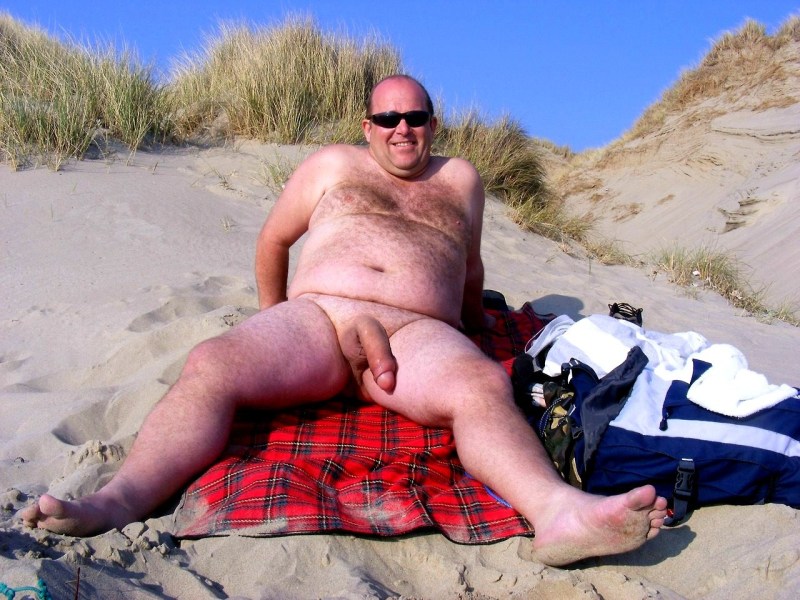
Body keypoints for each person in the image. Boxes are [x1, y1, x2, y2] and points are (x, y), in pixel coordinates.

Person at [21, 74, 667, 566]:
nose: (401, 129)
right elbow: (273, 241)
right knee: (212, 363)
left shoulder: (461, 180)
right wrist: (273, 320)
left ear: (433, 123)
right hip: (319, 318)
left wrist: (476, 329)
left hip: (417, 332)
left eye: (414, 118)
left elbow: (469, 267)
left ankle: (557, 514)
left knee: (480, 387)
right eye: (387, 118)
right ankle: (118, 499)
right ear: (368, 126)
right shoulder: (333, 165)